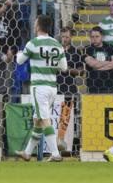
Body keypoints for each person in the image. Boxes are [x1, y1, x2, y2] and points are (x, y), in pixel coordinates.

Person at [15, 15, 67, 162]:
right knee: (37, 120)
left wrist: (20, 53)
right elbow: (64, 67)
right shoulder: (57, 43)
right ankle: (27, 153)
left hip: (39, 88)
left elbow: (20, 61)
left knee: (44, 120)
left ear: (38, 26)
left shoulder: (33, 43)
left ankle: (56, 154)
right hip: (52, 87)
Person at [83, 26, 113, 94]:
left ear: (102, 36)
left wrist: (97, 65)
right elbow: (92, 64)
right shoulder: (87, 49)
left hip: (110, 87)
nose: (94, 39)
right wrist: (109, 62)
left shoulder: (110, 47)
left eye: (97, 36)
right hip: (93, 87)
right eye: (92, 37)